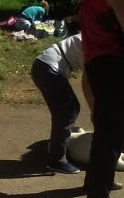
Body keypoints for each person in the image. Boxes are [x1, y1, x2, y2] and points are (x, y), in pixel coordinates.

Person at [80, 0, 124, 198]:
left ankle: (97, 182)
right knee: (113, 130)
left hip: (95, 61)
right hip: (114, 64)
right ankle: (98, 197)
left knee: (107, 128)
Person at [31, 33, 93, 174]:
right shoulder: (97, 43)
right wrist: (94, 112)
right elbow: (87, 85)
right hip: (48, 68)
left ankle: (57, 146)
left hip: (44, 65)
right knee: (67, 110)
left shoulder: (98, 36)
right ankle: (57, 160)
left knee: (69, 109)